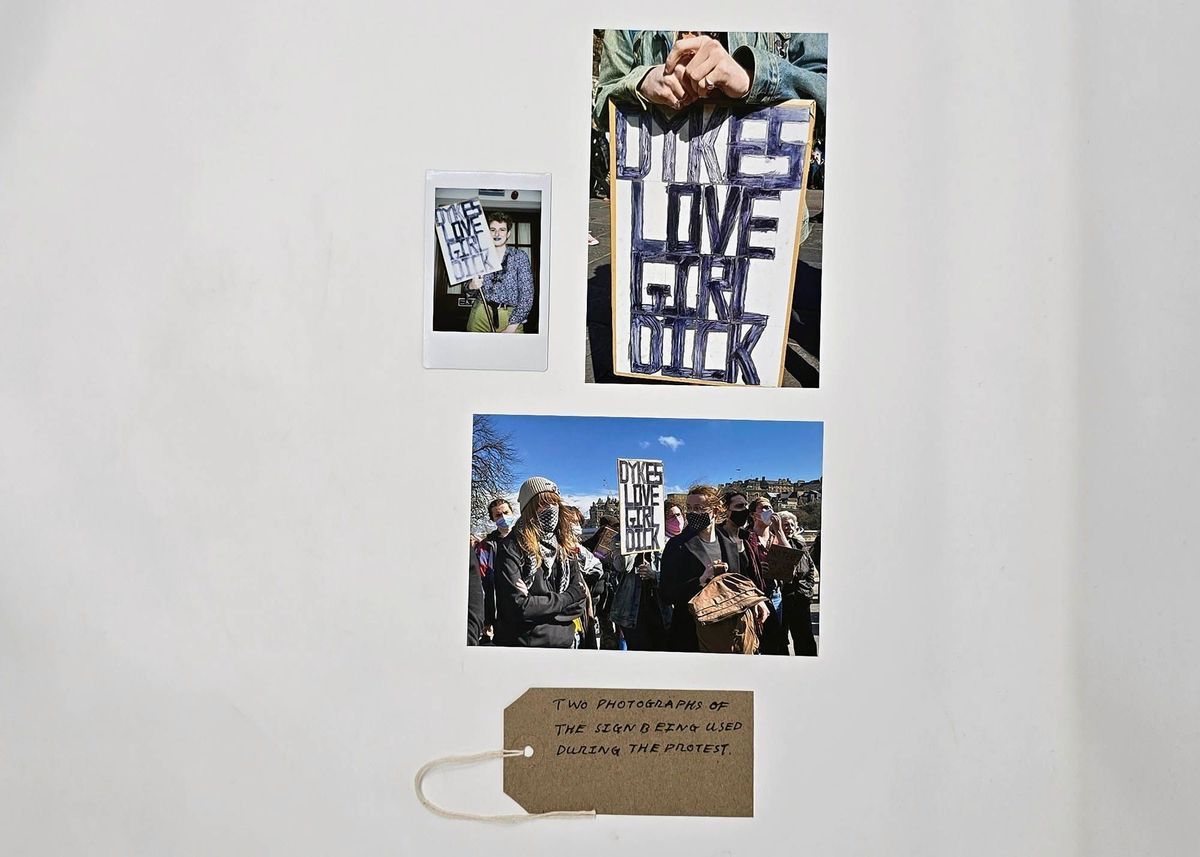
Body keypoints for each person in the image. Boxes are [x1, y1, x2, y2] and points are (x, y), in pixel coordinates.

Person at [659, 485, 766, 653]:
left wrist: (755, 600)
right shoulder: (677, 545)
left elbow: (739, 581)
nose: (692, 513)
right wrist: (701, 580)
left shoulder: (729, 543)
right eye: (689, 508)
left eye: (699, 508)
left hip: (729, 632)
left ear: (716, 511)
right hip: (692, 635)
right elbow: (666, 594)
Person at [492, 477, 588, 647]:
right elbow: (520, 607)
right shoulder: (511, 547)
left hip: (566, 643)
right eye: (543, 503)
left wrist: (540, 605)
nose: (551, 509)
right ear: (529, 508)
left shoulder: (564, 547)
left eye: (554, 502)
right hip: (525, 645)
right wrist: (568, 597)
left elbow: (579, 603)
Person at [605, 501, 677, 651]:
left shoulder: (667, 540)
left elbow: (673, 576)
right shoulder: (620, 538)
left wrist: (654, 576)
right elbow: (623, 566)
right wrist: (631, 538)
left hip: (661, 611)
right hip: (632, 612)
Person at [466, 210, 533, 334]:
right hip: (480, 314)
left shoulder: (519, 256)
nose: (497, 233)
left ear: (508, 234)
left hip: (510, 318)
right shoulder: (479, 257)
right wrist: (471, 286)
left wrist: (512, 327)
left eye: (502, 229)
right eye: (492, 229)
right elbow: (468, 290)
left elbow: (527, 296)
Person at [742, 497, 791, 655]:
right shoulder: (747, 536)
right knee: (758, 638)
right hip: (756, 593)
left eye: (770, 507)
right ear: (753, 514)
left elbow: (790, 556)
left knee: (776, 636)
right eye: (763, 508)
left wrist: (779, 530)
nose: (768, 511)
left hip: (775, 592)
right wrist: (755, 566)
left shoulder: (774, 536)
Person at [475, 497, 518, 643]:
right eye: (498, 515)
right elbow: (483, 585)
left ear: (512, 513)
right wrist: (487, 620)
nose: (504, 518)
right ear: (493, 519)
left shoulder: (525, 540)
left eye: (506, 512)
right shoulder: (485, 547)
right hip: (499, 616)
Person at [778, 511, 818, 656]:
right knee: (781, 639)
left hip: (801, 597)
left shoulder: (800, 543)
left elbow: (810, 567)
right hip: (784, 598)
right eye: (785, 525)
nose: (789, 527)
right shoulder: (775, 543)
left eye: (791, 524)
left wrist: (808, 587)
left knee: (805, 638)